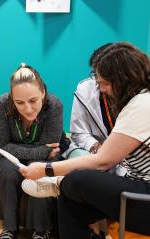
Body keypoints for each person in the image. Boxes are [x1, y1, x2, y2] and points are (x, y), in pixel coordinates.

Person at [20, 42, 150, 238]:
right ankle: (62, 187)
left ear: (123, 79)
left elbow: (103, 161)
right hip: (135, 187)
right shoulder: (137, 101)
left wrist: (45, 169)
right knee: (70, 200)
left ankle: (58, 183)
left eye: (105, 83)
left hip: (144, 198)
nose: (102, 89)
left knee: (78, 179)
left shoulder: (142, 104)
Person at [0, 63, 70, 239]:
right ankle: (9, 227)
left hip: (22, 150)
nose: (28, 109)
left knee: (42, 171)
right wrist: (40, 151)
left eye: (33, 101)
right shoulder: (1, 104)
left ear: (43, 92)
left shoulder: (55, 105)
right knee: (7, 172)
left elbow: (50, 147)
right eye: (19, 102)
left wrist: (41, 153)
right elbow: (1, 145)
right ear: (12, 98)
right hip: (12, 155)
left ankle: (41, 230)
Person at [70, 43, 114, 154]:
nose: (102, 88)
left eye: (107, 82)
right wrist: (100, 150)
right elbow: (79, 133)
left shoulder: (140, 95)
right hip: (99, 154)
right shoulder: (84, 91)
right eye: (96, 75)